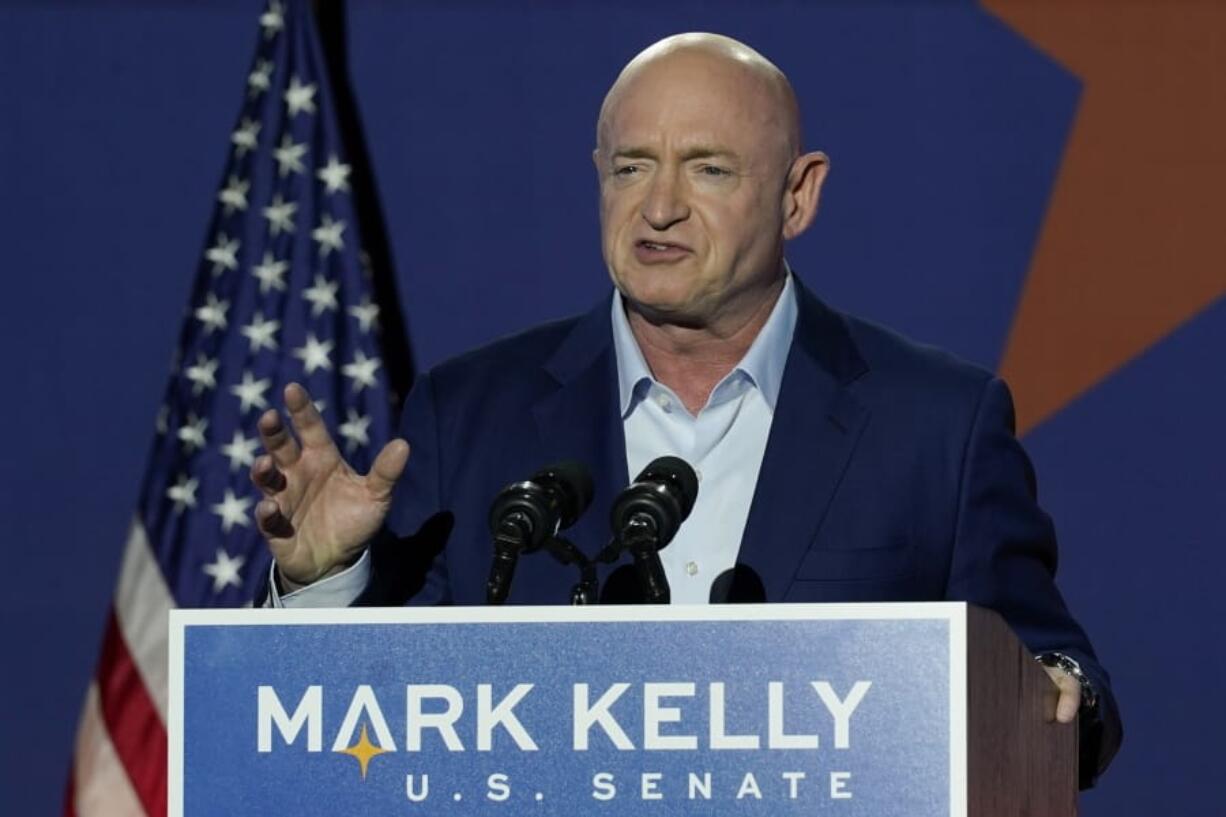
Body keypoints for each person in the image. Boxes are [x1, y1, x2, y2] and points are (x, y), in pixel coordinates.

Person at [250, 33, 1121, 784]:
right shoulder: (470, 410)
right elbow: (370, 726)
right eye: (632, 166)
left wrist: (1053, 693)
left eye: (708, 168)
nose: (658, 207)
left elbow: (1061, 687)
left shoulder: (938, 422)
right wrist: (323, 582)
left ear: (798, 195)